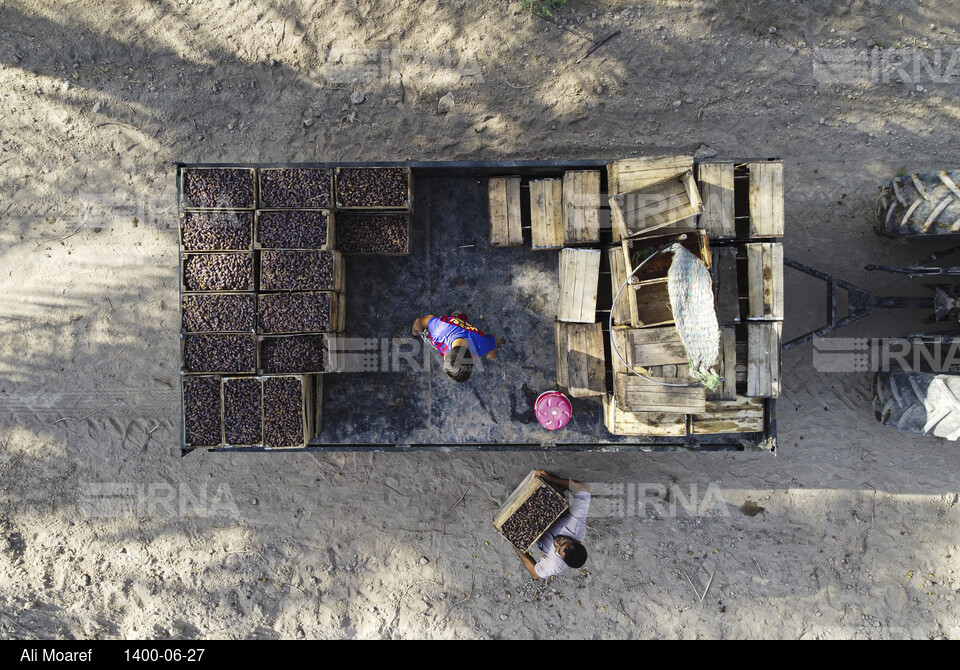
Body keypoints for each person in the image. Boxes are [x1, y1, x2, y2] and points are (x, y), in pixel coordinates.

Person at [514, 470, 590, 579]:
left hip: (539, 536)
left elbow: (536, 574)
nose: (558, 543)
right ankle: (555, 483)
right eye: (564, 542)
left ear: (562, 559)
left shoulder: (554, 565)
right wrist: (552, 479)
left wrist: (517, 548)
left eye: (559, 549)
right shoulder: (576, 526)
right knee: (553, 491)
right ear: (576, 540)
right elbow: (584, 489)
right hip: (555, 514)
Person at [409, 312, 497, 383]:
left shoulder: (481, 346)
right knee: (420, 325)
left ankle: (457, 318)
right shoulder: (438, 330)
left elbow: (493, 338)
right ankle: (457, 318)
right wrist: (416, 328)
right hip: (449, 326)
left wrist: (491, 352)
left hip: (454, 327)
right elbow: (427, 319)